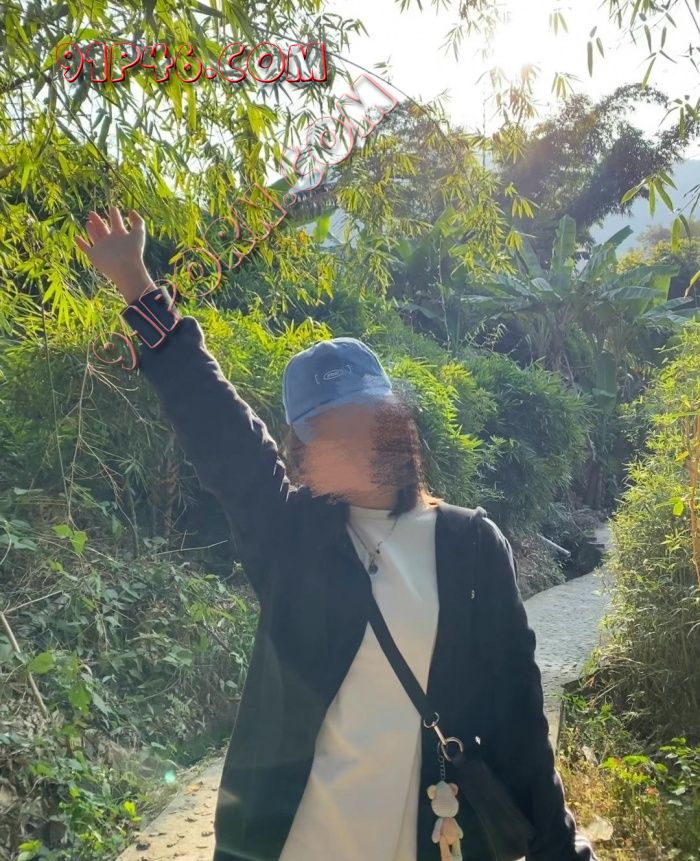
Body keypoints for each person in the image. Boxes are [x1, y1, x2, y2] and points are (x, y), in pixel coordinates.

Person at [75, 206, 599, 861]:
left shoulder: (469, 547)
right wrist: (138, 287)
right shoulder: (290, 536)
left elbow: (519, 713)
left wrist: (563, 848)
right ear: (303, 449)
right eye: (329, 431)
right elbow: (219, 425)